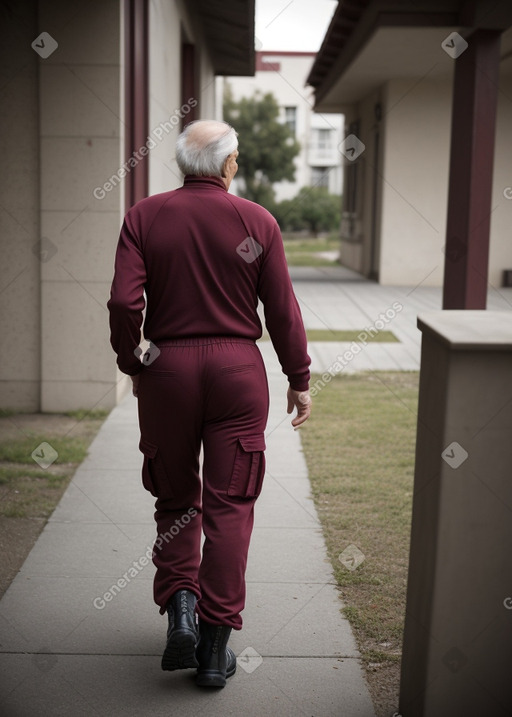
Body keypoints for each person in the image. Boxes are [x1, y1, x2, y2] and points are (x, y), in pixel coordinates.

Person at [107, 119, 311, 688]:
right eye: (236, 158)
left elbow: (124, 303)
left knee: (176, 499)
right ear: (227, 166)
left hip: (167, 371)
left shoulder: (145, 216)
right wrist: (299, 376)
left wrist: (134, 360)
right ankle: (216, 647)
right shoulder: (258, 221)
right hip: (236, 374)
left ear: (181, 165)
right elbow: (283, 311)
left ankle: (182, 611)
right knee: (231, 506)